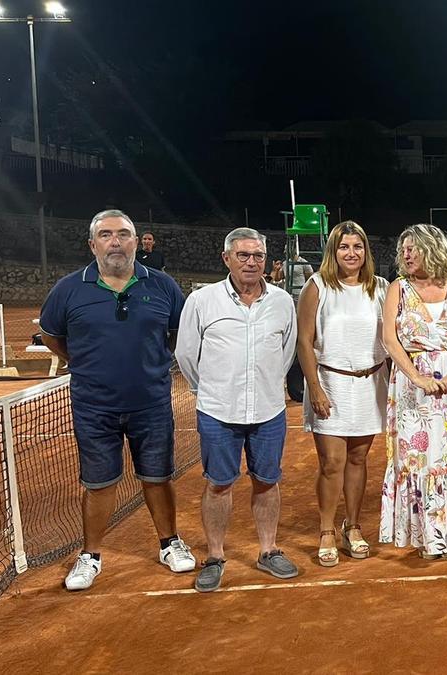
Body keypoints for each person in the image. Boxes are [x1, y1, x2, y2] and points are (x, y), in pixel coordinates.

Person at [38, 209, 195, 591]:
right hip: (94, 407)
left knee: (158, 477)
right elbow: (51, 336)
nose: (115, 241)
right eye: (106, 235)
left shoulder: (162, 286)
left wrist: (151, 362)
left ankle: (169, 542)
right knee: (99, 484)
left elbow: (177, 335)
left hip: (152, 403)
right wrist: (84, 363)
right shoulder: (69, 289)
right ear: (92, 244)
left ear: (136, 242)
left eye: (123, 234)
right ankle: (90, 556)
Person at [176, 227, 299, 591]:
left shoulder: (282, 302)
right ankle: (215, 556)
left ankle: (268, 550)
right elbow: (185, 354)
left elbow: (286, 352)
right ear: (226, 258)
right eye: (243, 255)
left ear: (266, 260)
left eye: (258, 256)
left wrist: (265, 384)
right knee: (218, 485)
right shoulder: (202, 301)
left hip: (268, 410)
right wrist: (209, 389)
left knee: (267, 481)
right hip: (217, 411)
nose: (251, 262)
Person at [379, 224, 447, 559]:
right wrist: (418, 378)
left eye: (413, 248)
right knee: (419, 459)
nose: (406, 255)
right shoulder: (399, 288)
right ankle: (426, 538)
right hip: (412, 391)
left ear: (432, 248)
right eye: (403, 249)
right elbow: (390, 340)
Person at [297, 221, 389, 566]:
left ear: (366, 252)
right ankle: (326, 530)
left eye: (358, 247)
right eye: (344, 247)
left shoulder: (380, 287)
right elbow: (304, 341)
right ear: (333, 252)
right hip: (330, 383)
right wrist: (316, 388)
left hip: (370, 384)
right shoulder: (317, 286)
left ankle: (353, 526)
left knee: (358, 459)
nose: (351, 253)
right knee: (332, 462)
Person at [273, 253, 315, 402]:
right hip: (289, 298)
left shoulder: (304, 262)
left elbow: (310, 275)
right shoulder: (285, 263)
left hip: (300, 296)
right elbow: (277, 278)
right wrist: (277, 269)